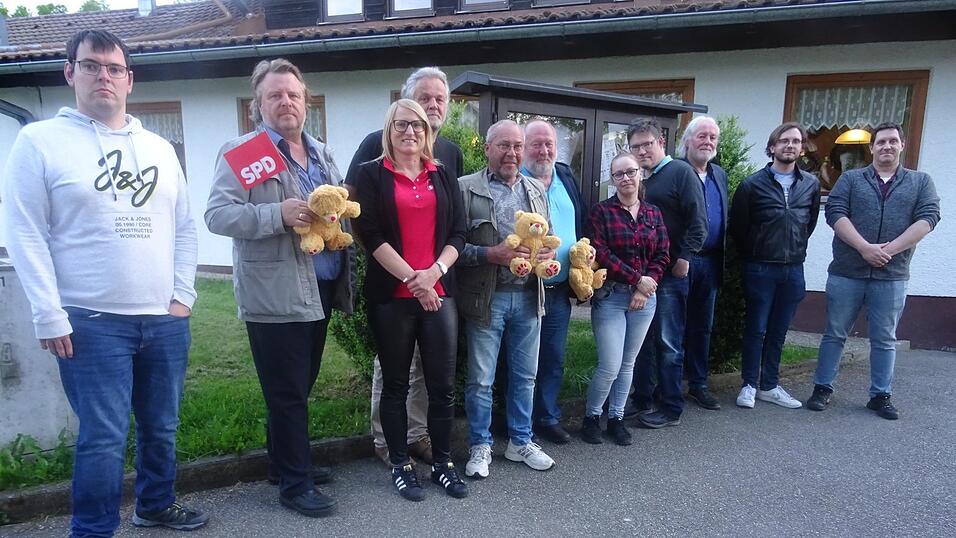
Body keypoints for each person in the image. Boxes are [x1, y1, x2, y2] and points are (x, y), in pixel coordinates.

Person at [1, 30, 206, 536]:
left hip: (164, 319)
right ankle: (92, 530)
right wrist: (48, 312)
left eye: (114, 68)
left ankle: (155, 504)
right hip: (90, 321)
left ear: (130, 81)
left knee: (162, 428)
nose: (104, 77)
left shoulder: (158, 148)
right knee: (104, 436)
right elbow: (25, 230)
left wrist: (183, 296)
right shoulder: (40, 141)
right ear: (70, 72)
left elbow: (183, 227)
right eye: (91, 66)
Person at [205, 58, 353, 518]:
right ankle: (295, 483)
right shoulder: (244, 151)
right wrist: (276, 215)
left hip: (320, 288)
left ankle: (283, 461)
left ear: (305, 101)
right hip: (274, 292)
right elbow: (217, 215)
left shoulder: (322, 151)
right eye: (275, 95)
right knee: (287, 392)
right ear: (259, 105)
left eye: (293, 94)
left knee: (298, 386)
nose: (285, 102)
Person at [345, 67, 463, 466]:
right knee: (393, 371)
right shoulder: (372, 148)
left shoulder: (448, 156)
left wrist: (433, 275)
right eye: (424, 98)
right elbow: (359, 216)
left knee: (427, 373)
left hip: (435, 284)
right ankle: (386, 441)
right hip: (393, 281)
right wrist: (406, 276)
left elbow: (450, 224)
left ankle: (417, 435)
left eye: (439, 99)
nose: (432, 106)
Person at [807, 122, 940, 419]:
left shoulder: (920, 182)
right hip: (846, 272)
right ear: (872, 147)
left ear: (902, 145)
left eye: (893, 141)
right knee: (834, 333)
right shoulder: (851, 179)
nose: (887, 147)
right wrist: (865, 248)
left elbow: (928, 218)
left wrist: (887, 251)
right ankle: (822, 388)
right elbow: (835, 212)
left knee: (884, 338)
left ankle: (880, 395)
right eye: (881, 142)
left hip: (891, 275)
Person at [458, 120, 557, 479]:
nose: (512, 153)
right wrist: (489, 255)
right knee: (481, 379)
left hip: (530, 297)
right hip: (488, 298)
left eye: (517, 146)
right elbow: (451, 247)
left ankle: (520, 441)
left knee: (525, 377)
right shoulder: (465, 188)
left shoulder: (535, 187)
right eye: (503, 145)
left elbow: (547, 236)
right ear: (487, 149)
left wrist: (546, 255)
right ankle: (480, 445)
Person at [729, 122, 821, 410]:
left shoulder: (811, 185)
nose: (790, 145)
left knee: (779, 330)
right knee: (755, 328)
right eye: (784, 141)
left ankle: (769, 385)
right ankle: (749, 385)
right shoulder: (751, 185)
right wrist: (756, 252)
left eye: (796, 141)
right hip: (760, 267)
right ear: (772, 147)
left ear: (802, 148)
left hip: (793, 268)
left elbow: (810, 223)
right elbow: (739, 229)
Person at [581, 154, 669, 446]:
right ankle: (591, 417)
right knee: (610, 364)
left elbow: (663, 254)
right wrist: (636, 280)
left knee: (628, 363)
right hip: (611, 297)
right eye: (619, 174)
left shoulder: (653, 214)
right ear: (613, 179)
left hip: (646, 299)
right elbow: (602, 252)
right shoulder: (601, 212)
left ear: (640, 174)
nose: (626, 178)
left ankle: (616, 418)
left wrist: (647, 286)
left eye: (631, 172)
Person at [627, 119, 708, 428]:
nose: (642, 150)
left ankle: (671, 405)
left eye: (647, 143)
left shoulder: (680, 172)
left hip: (671, 274)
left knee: (668, 341)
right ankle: (643, 397)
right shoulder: (643, 177)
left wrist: (685, 257)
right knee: (643, 340)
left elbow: (699, 221)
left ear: (661, 142)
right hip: (644, 274)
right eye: (636, 146)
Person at [520, 119, 586, 445]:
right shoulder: (515, 180)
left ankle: (546, 417)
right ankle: (516, 421)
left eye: (549, 144)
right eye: (536, 144)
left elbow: (580, 221)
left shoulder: (566, 177)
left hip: (558, 289)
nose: (544, 150)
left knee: (553, 358)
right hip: (523, 289)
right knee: (519, 359)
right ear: (523, 148)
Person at [676, 116, 729, 411]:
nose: (707, 142)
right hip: (683, 261)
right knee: (674, 326)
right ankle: (668, 384)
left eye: (712, 137)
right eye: (701, 136)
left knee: (702, 326)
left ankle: (698, 383)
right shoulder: (677, 171)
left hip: (710, 262)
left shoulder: (719, 175)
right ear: (688, 141)